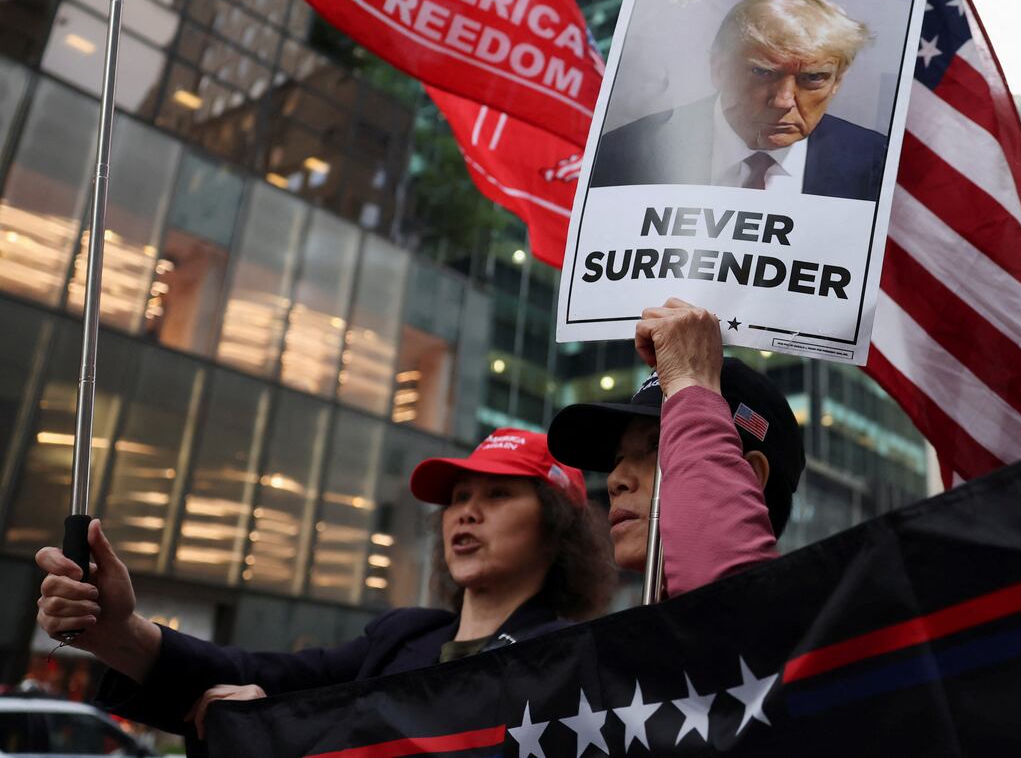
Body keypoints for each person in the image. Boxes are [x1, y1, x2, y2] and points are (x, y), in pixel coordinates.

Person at [34, 429, 611, 738]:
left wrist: (291, 723)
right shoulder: (400, 634)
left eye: (498, 495)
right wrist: (118, 633)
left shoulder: (569, 658)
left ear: (556, 530)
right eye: (458, 498)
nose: (466, 513)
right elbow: (268, 678)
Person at [547, 298, 804, 596]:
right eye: (617, 458)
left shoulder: (796, 625)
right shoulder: (628, 640)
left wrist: (688, 379)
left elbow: (730, 606)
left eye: (660, 443)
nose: (615, 480)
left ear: (750, 473)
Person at [589, 0, 888, 200]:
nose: (783, 100)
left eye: (813, 79)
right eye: (762, 73)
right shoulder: (624, 154)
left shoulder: (879, 166)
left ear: (838, 82)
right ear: (718, 68)